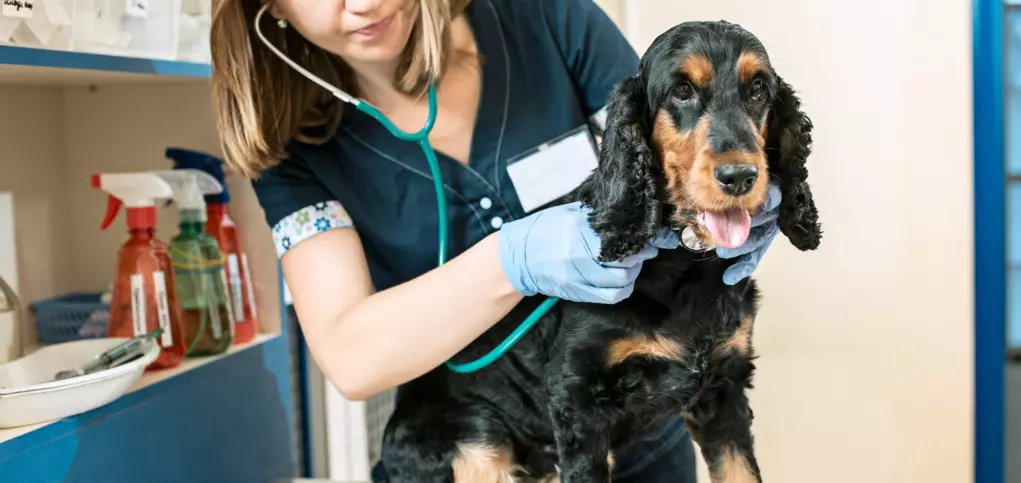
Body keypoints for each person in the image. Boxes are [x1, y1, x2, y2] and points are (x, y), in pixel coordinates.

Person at [209, 0, 779, 480]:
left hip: (633, 438)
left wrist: (739, 196)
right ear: (267, 7)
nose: (364, 2)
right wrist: (513, 261)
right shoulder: (287, 147)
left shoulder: (543, 15)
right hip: (470, 447)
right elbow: (352, 359)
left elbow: (667, 143)